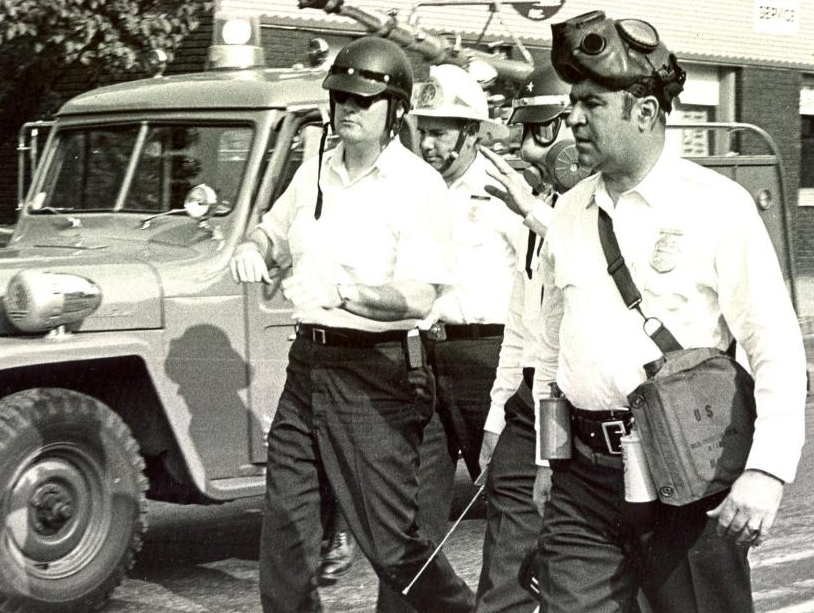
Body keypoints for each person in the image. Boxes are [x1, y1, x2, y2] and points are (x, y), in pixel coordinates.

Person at [530, 10, 807, 612]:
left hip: (689, 474)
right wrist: (548, 456)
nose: (571, 118)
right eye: (572, 102)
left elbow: (775, 345)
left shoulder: (718, 206)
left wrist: (766, 472)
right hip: (585, 478)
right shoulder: (569, 212)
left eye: (591, 104)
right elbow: (551, 345)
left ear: (645, 112)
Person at [230, 36, 475, 613]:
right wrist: (254, 246)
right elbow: (273, 228)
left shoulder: (418, 187)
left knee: (392, 546)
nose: (348, 109)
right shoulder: (315, 169)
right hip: (307, 371)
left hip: (376, 376)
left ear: (395, 110)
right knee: (287, 539)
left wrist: (347, 294)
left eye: (363, 100)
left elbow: (419, 296)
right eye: (340, 97)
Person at [375, 63, 523, 613]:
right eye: (422, 128)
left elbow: (541, 278)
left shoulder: (502, 188)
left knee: (510, 514)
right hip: (424, 363)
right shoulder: (411, 190)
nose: (428, 142)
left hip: (491, 360)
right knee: (408, 519)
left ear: (472, 131)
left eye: (441, 130)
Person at [473, 64, 586, 613]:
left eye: (542, 130)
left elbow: (584, 262)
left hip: (587, 406)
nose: (528, 147)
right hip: (532, 401)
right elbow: (518, 327)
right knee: (504, 576)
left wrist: (535, 213)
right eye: (525, 131)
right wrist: (497, 415)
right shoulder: (535, 212)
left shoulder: (591, 206)